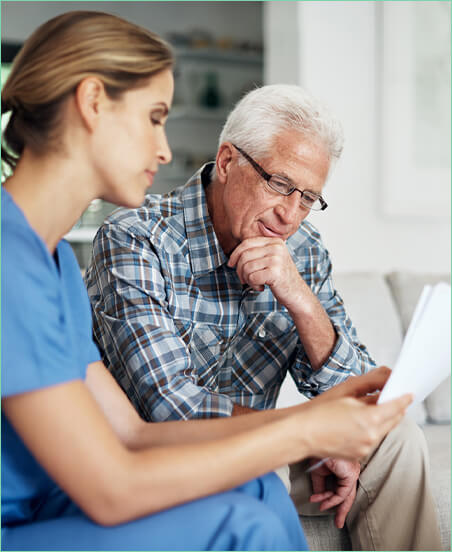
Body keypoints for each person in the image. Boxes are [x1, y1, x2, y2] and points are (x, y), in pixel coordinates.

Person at [0, 10, 415, 552]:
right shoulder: (15, 260)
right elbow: (112, 484)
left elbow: (130, 434)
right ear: (92, 102)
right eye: (154, 117)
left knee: (257, 488)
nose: (166, 150)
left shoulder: (49, 260)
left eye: (307, 198)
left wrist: (319, 413)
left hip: (62, 492)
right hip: (27, 516)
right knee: (247, 525)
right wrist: (307, 430)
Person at [85, 84, 443, 550]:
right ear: (229, 161)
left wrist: (299, 297)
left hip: (263, 450)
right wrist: (298, 434)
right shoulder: (135, 239)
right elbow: (168, 407)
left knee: (397, 440)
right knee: (266, 460)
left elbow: (361, 395)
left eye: (309, 197)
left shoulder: (303, 249)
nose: (289, 214)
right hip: (159, 462)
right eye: (280, 184)